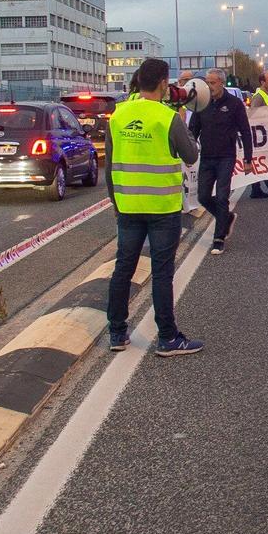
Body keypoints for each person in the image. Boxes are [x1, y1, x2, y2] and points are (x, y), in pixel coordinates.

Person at [104, 58, 202, 357]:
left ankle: (117, 333)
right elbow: (190, 156)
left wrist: (116, 202)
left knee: (124, 267)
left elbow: (108, 165)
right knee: (161, 272)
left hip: (128, 205)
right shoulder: (166, 117)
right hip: (162, 206)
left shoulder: (118, 115)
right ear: (163, 83)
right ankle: (168, 338)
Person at [188, 69, 252, 253]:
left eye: (213, 82)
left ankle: (219, 238)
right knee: (203, 197)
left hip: (226, 157)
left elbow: (245, 131)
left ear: (222, 83)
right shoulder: (202, 104)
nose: (209, 86)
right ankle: (227, 218)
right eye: (207, 82)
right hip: (207, 157)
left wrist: (248, 158)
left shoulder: (234, 104)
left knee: (223, 196)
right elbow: (193, 131)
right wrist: (189, 154)